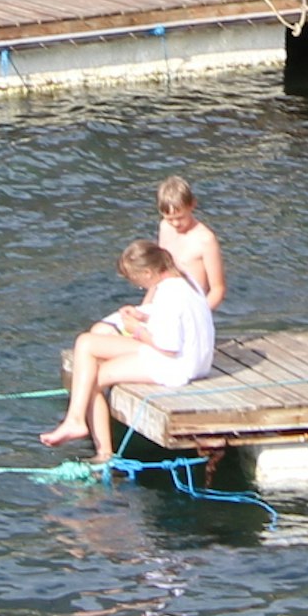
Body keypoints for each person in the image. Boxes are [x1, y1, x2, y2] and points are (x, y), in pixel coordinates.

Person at [44, 238, 214, 462]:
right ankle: (74, 420)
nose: (137, 285)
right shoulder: (184, 280)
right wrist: (144, 315)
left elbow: (168, 346)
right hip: (197, 358)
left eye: (135, 279)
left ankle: (102, 451)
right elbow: (177, 320)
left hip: (177, 365)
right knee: (87, 342)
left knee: (93, 378)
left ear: (147, 273)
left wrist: (137, 330)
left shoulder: (170, 294)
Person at [156, 176, 226, 311]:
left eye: (180, 217)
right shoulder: (165, 227)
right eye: (170, 219)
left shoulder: (205, 240)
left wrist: (199, 314)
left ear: (192, 205)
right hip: (166, 300)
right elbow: (160, 273)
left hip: (193, 306)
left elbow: (218, 289)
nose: (175, 223)